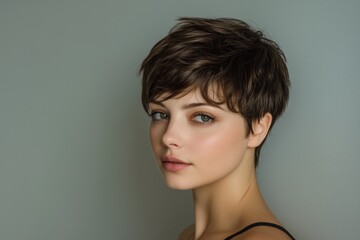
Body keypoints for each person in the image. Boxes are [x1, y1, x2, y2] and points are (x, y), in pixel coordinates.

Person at [139, 17, 295, 240]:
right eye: (160, 114)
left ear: (257, 128)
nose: (169, 137)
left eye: (202, 117)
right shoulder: (188, 235)